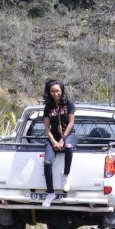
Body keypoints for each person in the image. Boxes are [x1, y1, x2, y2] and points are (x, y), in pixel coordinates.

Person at [41, 79, 77, 207]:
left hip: (69, 135)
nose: (55, 93)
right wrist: (53, 141)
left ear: (61, 91)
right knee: (47, 162)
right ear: (49, 92)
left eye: (57, 91)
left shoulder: (69, 104)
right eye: (52, 91)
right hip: (53, 138)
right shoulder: (48, 107)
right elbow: (46, 128)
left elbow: (71, 123)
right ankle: (50, 193)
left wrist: (62, 139)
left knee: (67, 146)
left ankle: (65, 174)